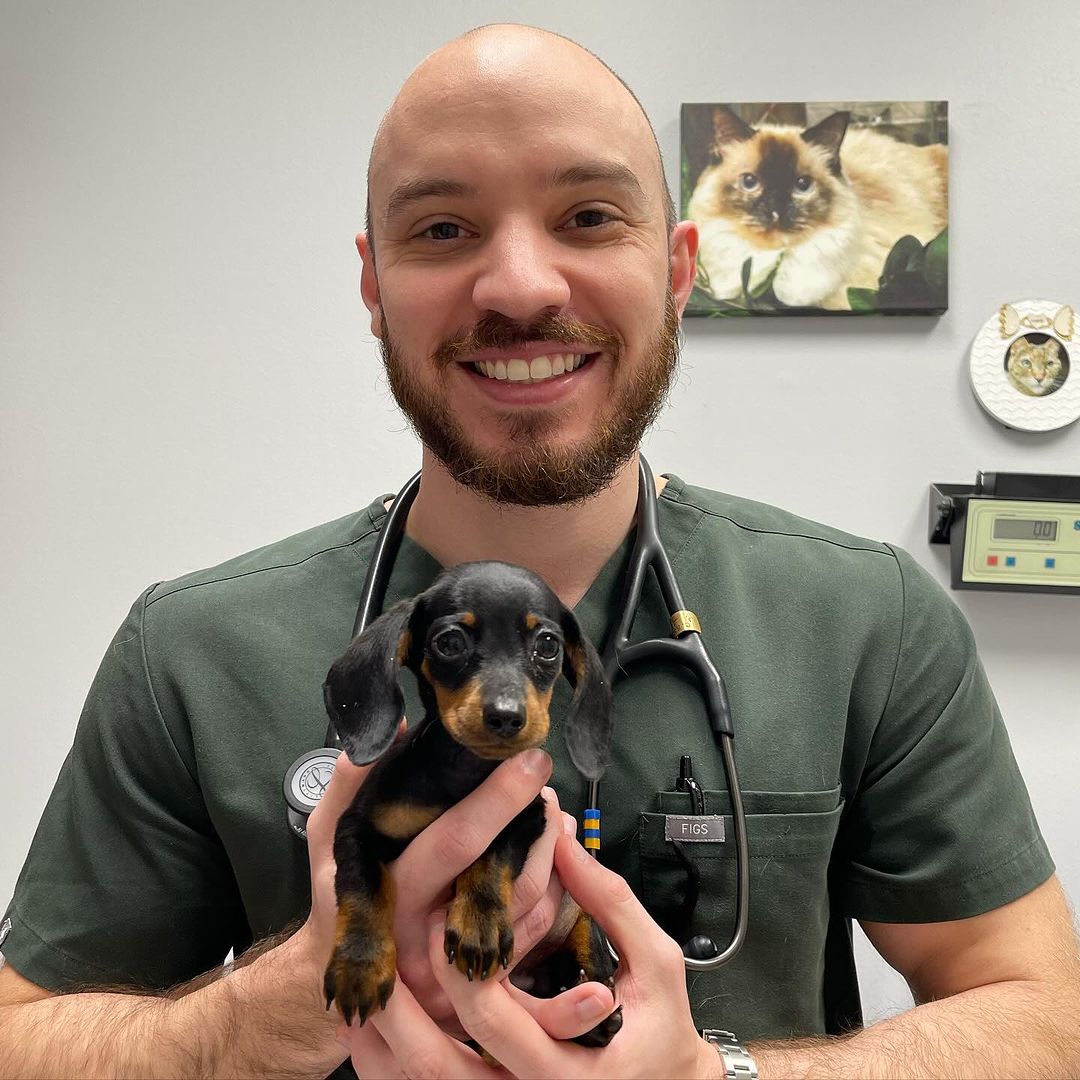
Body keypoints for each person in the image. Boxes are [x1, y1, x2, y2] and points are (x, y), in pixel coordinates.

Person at [2, 22, 1078, 1079]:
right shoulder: (189, 651)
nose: (521, 287)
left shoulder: (867, 621)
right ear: (373, 286)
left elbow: (1048, 1022)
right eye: (442, 231)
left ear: (677, 268)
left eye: (589, 215)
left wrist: (720, 1079)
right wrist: (241, 1030)